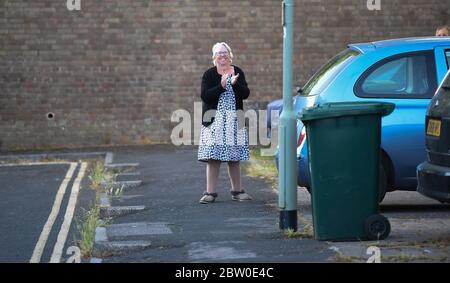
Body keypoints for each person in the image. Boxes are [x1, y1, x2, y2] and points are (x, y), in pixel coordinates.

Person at [197, 42, 252, 204]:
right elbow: (205, 96)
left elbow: (246, 94)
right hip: (214, 122)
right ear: (214, 57)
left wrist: (235, 85)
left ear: (230, 55)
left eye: (225, 52)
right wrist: (221, 86)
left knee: (234, 157)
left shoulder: (238, 71)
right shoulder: (209, 74)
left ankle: (237, 191)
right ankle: (210, 193)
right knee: (213, 157)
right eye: (219, 53)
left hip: (235, 121)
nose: (222, 55)